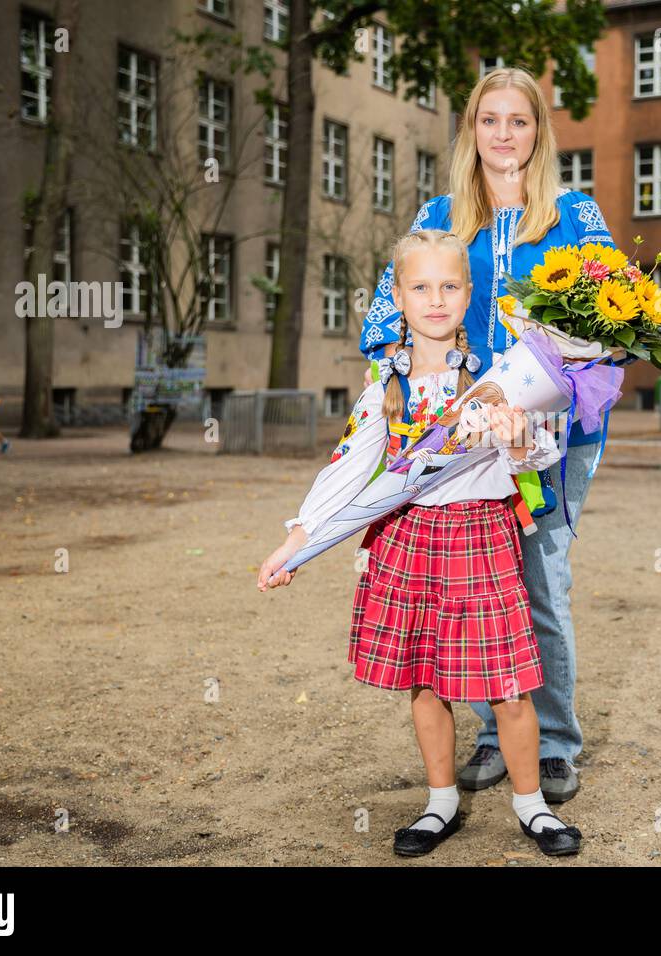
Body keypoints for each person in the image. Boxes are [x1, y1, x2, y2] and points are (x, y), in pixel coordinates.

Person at [259, 230, 582, 858]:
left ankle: (531, 805)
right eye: (421, 287)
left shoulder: (500, 369)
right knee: (426, 679)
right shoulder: (387, 383)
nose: (436, 300)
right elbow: (351, 463)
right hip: (408, 541)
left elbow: (544, 450)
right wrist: (296, 540)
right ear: (399, 298)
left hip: (482, 537)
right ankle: (440, 802)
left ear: (468, 293)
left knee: (508, 682)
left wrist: (517, 440)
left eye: (450, 286)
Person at [359, 66, 618, 803]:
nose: (504, 135)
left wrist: (596, 347)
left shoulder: (575, 213)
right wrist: (402, 380)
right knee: (472, 588)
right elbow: (389, 310)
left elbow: (620, 314)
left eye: (520, 121)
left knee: (539, 582)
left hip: (554, 431)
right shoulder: (440, 215)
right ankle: (493, 735)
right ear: (471, 129)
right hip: (464, 432)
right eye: (490, 120)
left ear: (540, 131)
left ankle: (558, 742)